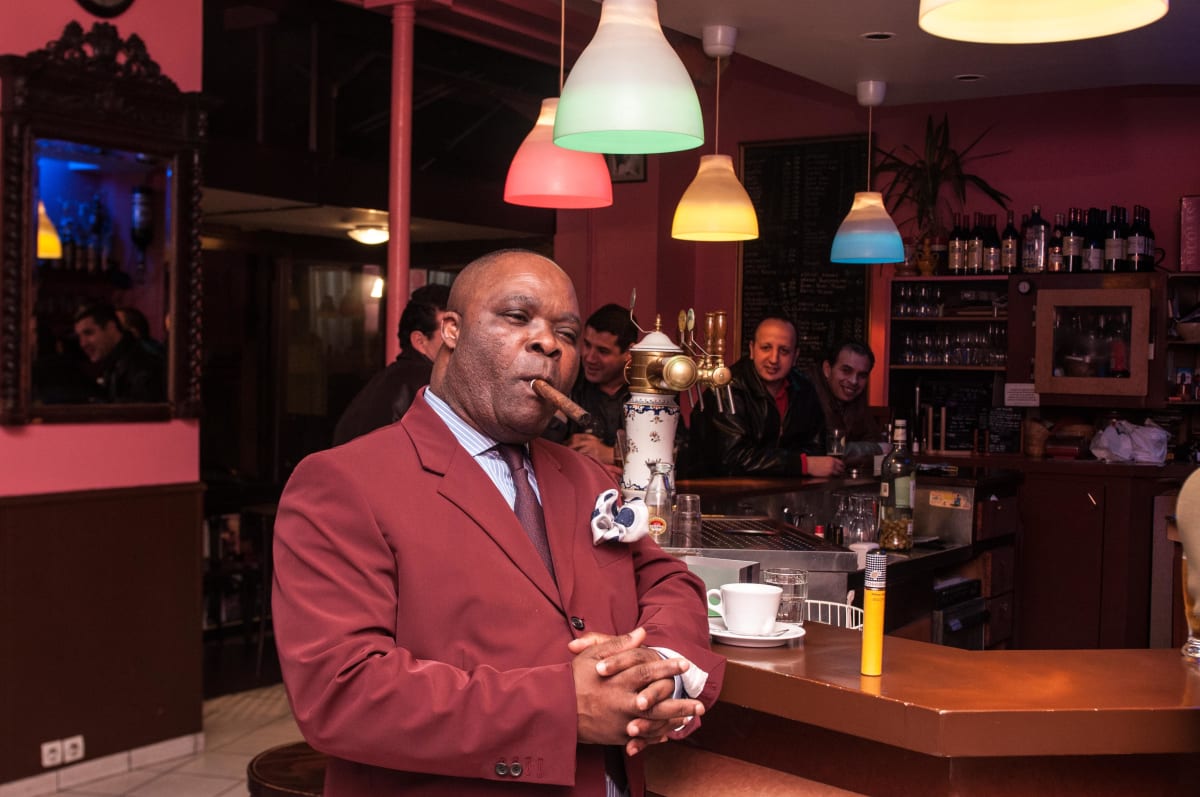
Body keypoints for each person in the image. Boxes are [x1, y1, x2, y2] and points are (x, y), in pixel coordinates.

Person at [273, 249, 724, 796]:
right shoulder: (342, 482)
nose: (548, 344)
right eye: (517, 317)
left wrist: (660, 669)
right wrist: (563, 708)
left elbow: (667, 581)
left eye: (565, 331)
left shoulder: (589, 478)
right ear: (452, 331)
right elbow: (341, 692)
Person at [688, 316, 843, 478]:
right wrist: (802, 464)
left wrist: (790, 463)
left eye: (784, 351)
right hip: (718, 494)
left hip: (780, 494)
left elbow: (817, 448)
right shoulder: (727, 386)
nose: (774, 359)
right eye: (766, 348)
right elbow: (732, 459)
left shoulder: (803, 388)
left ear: (795, 356)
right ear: (752, 350)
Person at [330, 284, 450, 446]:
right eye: (447, 333)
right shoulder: (428, 385)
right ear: (419, 341)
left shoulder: (385, 379)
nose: (457, 340)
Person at [543, 303, 637, 474]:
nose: (589, 357)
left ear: (629, 352)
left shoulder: (646, 388)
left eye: (603, 351)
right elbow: (538, 447)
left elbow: (679, 454)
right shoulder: (566, 377)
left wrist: (612, 454)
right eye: (586, 345)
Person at [73, 301, 165, 402]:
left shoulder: (141, 365)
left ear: (111, 327)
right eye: (79, 337)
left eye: (89, 333)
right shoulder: (115, 363)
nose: (83, 344)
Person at [811, 339, 882, 462]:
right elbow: (821, 451)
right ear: (827, 369)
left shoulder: (856, 396)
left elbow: (874, 438)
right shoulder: (807, 393)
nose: (854, 381)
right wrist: (875, 449)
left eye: (862, 375)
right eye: (846, 370)